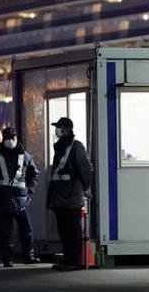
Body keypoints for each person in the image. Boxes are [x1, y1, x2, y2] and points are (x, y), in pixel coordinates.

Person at [0, 126, 40, 267]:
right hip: (2, 200)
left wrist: (29, 190)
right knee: (4, 231)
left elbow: (34, 175)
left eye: (12, 137)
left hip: (20, 200)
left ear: (16, 138)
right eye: (8, 138)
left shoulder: (25, 157)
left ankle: (28, 256)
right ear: (3, 139)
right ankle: (7, 258)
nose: (10, 141)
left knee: (26, 230)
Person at [46, 116, 93, 271]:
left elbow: (86, 170)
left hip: (72, 196)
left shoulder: (76, 146)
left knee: (72, 231)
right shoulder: (59, 147)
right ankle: (67, 259)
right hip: (60, 197)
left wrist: (86, 188)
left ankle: (74, 261)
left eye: (59, 127)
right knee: (63, 231)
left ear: (67, 129)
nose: (57, 130)